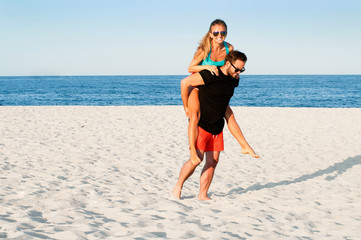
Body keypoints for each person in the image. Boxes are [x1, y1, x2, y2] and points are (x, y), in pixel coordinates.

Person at [173, 50, 259, 200]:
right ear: (227, 63)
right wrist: (186, 106)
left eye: (242, 70)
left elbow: (224, 100)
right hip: (202, 124)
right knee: (196, 159)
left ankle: (203, 194)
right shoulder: (211, 74)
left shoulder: (234, 80)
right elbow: (185, 83)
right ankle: (178, 186)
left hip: (217, 124)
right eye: (236, 69)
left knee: (212, 161)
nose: (238, 72)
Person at [187, 19, 234, 165]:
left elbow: (228, 67)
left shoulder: (229, 48)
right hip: (197, 84)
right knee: (195, 116)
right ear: (211, 34)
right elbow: (190, 68)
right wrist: (206, 67)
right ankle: (193, 152)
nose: (220, 35)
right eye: (216, 32)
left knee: (227, 114)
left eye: (223, 32)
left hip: (213, 88)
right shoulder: (205, 49)